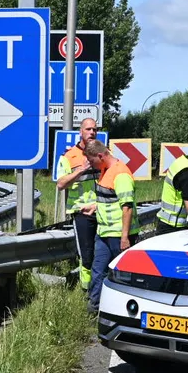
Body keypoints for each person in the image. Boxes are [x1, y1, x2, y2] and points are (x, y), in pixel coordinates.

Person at [79, 140, 137, 312]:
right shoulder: (105, 170)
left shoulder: (121, 174)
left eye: (92, 161)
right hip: (103, 231)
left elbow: (126, 208)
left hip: (119, 235)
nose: (91, 165)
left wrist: (125, 237)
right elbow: (110, 199)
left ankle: (123, 310)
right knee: (98, 270)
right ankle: (94, 308)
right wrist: (95, 207)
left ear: (100, 156)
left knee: (121, 275)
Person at [56, 118, 100, 289]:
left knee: (102, 254)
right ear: (80, 132)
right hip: (81, 212)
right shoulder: (69, 156)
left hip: (102, 209)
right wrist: (81, 169)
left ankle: (99, 291)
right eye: (88, 129)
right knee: (87, 256)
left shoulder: (103, 153)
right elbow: (60, 184)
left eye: (95, 129)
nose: (92, 132)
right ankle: (86, 291)